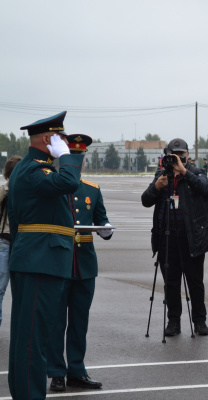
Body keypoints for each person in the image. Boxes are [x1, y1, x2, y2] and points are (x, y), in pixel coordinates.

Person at [7, 111, 84, 399]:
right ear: (47, 138)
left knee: (29, 335)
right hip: (41, 260)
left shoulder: (29, 168)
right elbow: (69, 183)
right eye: (60, 137)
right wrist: (67, 157)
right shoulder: (34, 170)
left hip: (36, 258)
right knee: (33, 339)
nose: (64, 142)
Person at [47, 134, 114, 392]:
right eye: (72, 157)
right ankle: (56, 373)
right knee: (56, 321)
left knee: (79, 321)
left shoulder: (92, 190)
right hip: (59, 262)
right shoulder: (54, 185)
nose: (77, 162)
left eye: (79, 158)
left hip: (84, 263)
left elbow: (102, 219)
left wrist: (106, 229)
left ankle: (76, 370)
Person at [141, 138, 208, 337]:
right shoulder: (161, 175)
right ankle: (173, 321)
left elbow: (203, 188)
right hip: (167, 239)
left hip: (192, 238)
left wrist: (184, 171)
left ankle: (200, 321)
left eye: (182, 156)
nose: (178, 160)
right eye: (174, 156)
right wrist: (155, 187)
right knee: (171, 284)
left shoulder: (196, 173)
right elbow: (145, 201)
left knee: (195, 282)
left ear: (188, 156)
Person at [0, 155, 22, 328]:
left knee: (22, 292)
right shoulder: (4, 191)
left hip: (21, 245)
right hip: (4, 243)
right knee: (0, 289)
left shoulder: (27, 193)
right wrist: (9, 187)